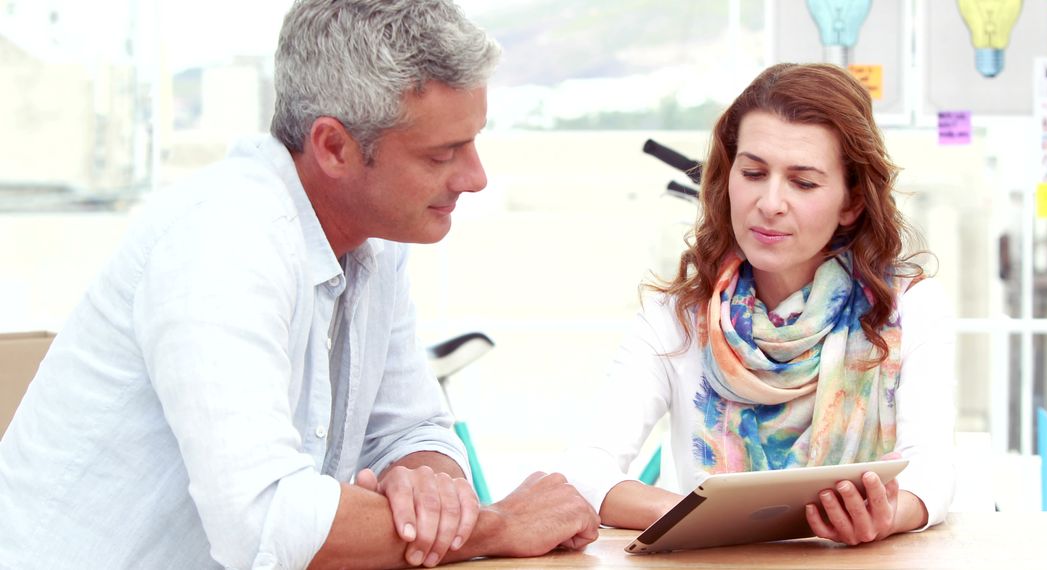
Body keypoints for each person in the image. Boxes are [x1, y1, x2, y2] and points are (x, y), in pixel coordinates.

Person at [0, 1, 599, 568]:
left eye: (474, 140)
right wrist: (494, 526)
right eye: (442, 154)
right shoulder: (222, 241)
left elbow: (410, 431)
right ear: (333, 147)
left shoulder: (376, 240)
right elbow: (263, 523)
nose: (476, 178)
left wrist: (431, 490)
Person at [563, 63, 955, 545]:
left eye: (803, 183)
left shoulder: (911, 308)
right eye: (752, 173)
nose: (770, 202)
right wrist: (692, 512)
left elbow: (932, 473)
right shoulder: (676, 319)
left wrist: (888, 514)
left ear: (851, 201)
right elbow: (583, 469)